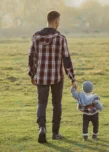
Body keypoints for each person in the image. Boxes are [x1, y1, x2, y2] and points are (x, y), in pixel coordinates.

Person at [28, 11, 76, 143]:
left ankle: (42, 129)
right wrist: (72, 77)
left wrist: (32, 74)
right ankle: (55, 133)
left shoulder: (36, 37)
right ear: (57, 22)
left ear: (47, 20)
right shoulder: (61, 38)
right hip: (57, 77)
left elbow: (31, 57)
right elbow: (66, 60)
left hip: (41, 76)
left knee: (41, 103)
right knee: (57, 103)